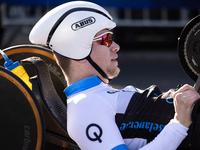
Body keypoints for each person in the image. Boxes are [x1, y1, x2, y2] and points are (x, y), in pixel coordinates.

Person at [29, 1, 200, 150]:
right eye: (106, 40)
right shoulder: (83, 105)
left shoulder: (97, 95)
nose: (116, 46)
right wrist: (179, 123)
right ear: (78, 50)